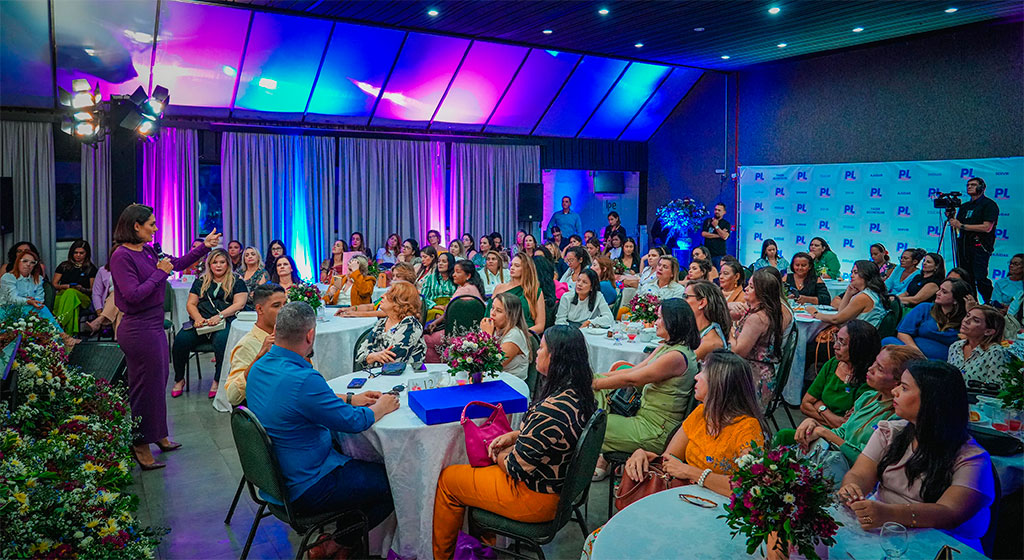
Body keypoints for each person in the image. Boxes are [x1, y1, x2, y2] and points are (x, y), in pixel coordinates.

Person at [433, 326, 595, 559]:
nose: (537, 353)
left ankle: (443, 556)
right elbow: (551, 436)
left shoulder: (551, 410)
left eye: (542, 349)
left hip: (536, 497)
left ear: (555, 358)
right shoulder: (577, 394)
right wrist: (515, 435)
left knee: (448, 480)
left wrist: (496, 451)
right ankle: (484, 545)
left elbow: (516, 467)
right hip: (557, 490)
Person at [246, 302, 399, 531]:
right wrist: (382, 407)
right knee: (393, 482)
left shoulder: (258, 368)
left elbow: (296, 401)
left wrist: (349, 398)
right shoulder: (304, 379)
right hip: (307, 485)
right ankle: (340, 543)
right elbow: (353, 422)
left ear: (276, 330)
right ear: (310, 335)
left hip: (275, 480)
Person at [838, 361, 995, 552]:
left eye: (904, 388)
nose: (894, 392)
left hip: (944, 544)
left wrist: (889, 514)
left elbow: (950, 513)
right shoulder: (890, 433)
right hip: (885, 529)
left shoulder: (972, 459)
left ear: (932, 401)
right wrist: (852, 488)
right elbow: (860, 473)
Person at [109, 204, 218, 469]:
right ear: (136, 226)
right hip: (138, 329)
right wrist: (160, 272)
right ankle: (140, 444)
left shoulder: (147, 250)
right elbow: (133, 295)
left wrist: (205, 247)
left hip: (154, 325)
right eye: (152, 224)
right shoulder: (121, 256)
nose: (156, 229)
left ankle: (158, 434)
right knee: (143, 388)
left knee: (158, 384)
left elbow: (176, 264)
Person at [624, 350, 768, 497]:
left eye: (704, 372)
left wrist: (690, 472)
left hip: (719, 504)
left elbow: (747, 486)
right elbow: (669, 459)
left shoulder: (747, 428)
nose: (696, 377)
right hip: (687, 495)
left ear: (719, 383)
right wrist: (643, 455)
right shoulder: (702, 413)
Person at [591, 298, 701, 480]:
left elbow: (633, 379)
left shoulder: (676, 356)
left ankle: (587, 463)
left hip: (655, 430)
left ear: (673, 322)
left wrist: (593, 383)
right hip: (642, 416)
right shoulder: (667, 346)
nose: (655, 322)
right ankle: (600, 459)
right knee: (595, 398)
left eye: (660, 318)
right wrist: (595, 378)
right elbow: (634, 370)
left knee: (588, 425)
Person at [171, 248, 248, 399]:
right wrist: (198, 318)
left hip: (225, 320)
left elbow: (239, 304)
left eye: (222, 262)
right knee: (180, 341)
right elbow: (191, 304)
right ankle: (179, 379)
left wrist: (220, 316)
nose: (218, 265)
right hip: (202, 322)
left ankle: (217, 380)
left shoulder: (237, 281)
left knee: (221, 341)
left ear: (228, 264)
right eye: (215, 262)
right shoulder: (200, 281)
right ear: (209, 264)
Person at [729, 268, 792, 408]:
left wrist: (728, 327)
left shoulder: (757, 318)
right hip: (762, 374)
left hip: (752, 380)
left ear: (762, 293)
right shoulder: (767, 311)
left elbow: (738, 352)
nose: (746, 289)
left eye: (751, 287)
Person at [799, 320, 878, 427]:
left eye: (842, 343)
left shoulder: (868, 380)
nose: (835, 346)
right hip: (816, 425)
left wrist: (818, 404)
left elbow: (848, 426)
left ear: (858, 348)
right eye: (836, 339)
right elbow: (805, 405)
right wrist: (827, 413)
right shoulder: (833, 364)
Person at [224, 283, 287, 406]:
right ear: (259, 309)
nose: (284, 311)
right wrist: (259, 359)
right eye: (276, 306)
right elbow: (232, 396)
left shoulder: (288, 337)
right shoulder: (246, 345)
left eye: (285, 304)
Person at [882, 279, 970, 360]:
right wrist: (917, 354)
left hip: (939, 360)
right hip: (912, 351)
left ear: (955, 300)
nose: (938, 293)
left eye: (944, 292)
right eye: (939, 289)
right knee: (888, 341)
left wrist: (970, 310)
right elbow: (903, 333)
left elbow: (968, 344)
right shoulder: (924, 308)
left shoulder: (964, 320)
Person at [949, 176, 999, 303]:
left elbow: (987, 227)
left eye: (973, 184)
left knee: (980, 278)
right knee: (966, 278)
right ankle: (971, 304)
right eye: (968, 185)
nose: (969, 187)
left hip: (980, 246)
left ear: (982, 188)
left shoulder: (989, 205)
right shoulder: (964, 206)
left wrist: (962, 226)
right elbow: (957, 228)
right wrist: (952, 219)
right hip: (964, 246)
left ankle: (991, 304)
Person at [424, 260, 485, 362]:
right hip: (472, 334)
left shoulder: (463, 290)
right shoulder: (473, 287)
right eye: (454, 272)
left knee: (426, 339)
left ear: (468, 276)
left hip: (457, 335)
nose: (453, 275)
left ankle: (438, 367)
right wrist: (435, 322)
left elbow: (448, 312)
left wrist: (435, 322)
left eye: (458, 272)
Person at [354, 282, 426, 369]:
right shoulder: (381, 323)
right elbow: (359, 355)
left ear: (399, 301)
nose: (382, 296)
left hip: (405, 376)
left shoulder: (411, 325)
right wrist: (374, 356)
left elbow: (393, 362)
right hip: (377, 375)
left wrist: (369, 358)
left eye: (388, 294)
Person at [807, 260, 889, 329]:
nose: (851, 276)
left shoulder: (864, 297)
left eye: (856, 273)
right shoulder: (869, 293)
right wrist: (848, 293)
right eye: (852, 272)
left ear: (866, 275)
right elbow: (841, 313)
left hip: (860, 338)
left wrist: (815, 313)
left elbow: (836, 319)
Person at [947, 305, 1011, 389]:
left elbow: (997, 389)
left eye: (975, 320)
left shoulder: (996, 353)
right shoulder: (955, 346)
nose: (966, 320)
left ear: (988, 331)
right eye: (967, 316)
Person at [478, 292, 533, 381]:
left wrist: (486, 336)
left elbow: (494, 364)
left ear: (511, 315)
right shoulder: (492, 329)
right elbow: (476, 358)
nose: (492, 313)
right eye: (492, 308)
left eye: (499, 311)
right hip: (492, 380)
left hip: (511, 384)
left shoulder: (515, 335)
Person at [491, 253, 546, 336]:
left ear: (526, 269)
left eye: (517, 266)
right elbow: (489, 316)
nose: (512, 268)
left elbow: (540, 326)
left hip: (525, 334)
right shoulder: (499, 288)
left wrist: (517, 335)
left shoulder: (535, 292)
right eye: (511, 265)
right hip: (498, 334)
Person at [51, 240, 97, 334]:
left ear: (86, 254)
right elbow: (54, 284)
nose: (78, 255)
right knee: (72, 303)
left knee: (71, 293)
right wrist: (66, 286)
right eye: (75, 252)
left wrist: (81, 289)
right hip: (63, 294)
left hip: (83, 297)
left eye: (81, 253)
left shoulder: (91, 268)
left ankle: (59, 324)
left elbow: (93, 290)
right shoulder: (64, 266)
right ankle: (69, 334)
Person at [1, 247, 54, 325]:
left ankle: (55, 331)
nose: (28, 264)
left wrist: (32, 301)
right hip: (9, 309)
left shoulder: (38, 278)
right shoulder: (8, 277)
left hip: (32, 308)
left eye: (32, 262)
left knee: (42, 309)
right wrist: (28, 301)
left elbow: (40, 298)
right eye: (25, 261)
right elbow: (12, 298)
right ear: (18, 262)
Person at [684, 280, 732, 361]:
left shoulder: (710, 343)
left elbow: (680, 364)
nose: (682, 301)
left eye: (685, 296)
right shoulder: (693, 330)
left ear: (702, 303)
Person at [84, 245, 122, 335]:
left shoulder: (133, 269)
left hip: (129, 300)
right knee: (118, 299)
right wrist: (99, 310)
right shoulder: (103, 270)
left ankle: (99, 320)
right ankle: (120, 341)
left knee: (120, 298)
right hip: (109, 303)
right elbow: (96, 293)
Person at [700, 202, 731, 268]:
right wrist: (719, 235)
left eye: (719, 210)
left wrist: (716, 226)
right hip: (707, 254)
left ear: (724, 212)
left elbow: (725, 236)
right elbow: (704, 234)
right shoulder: (708, 221)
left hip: (719, 255)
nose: (716, 212)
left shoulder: (726, 224)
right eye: (715, 210)